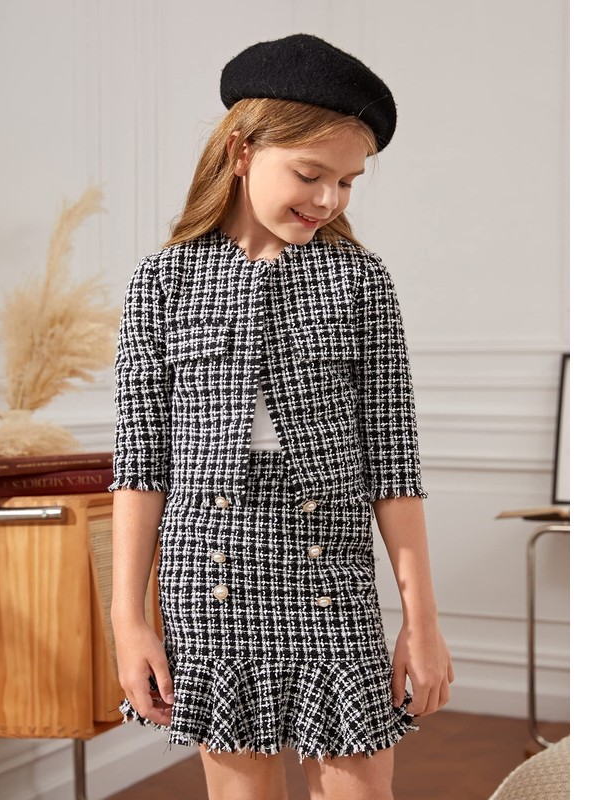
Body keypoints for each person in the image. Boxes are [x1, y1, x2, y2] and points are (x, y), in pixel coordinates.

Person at [110, 33, 454, 800]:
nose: (329, 199)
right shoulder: (162, 283)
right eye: (310, 173)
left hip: (331, 568)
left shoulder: (361, 282)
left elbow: (394, 466)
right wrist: (128, 621)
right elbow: (140, 468)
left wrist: (421, 621)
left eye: (348, 182)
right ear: (242, 151)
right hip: (209, 577)